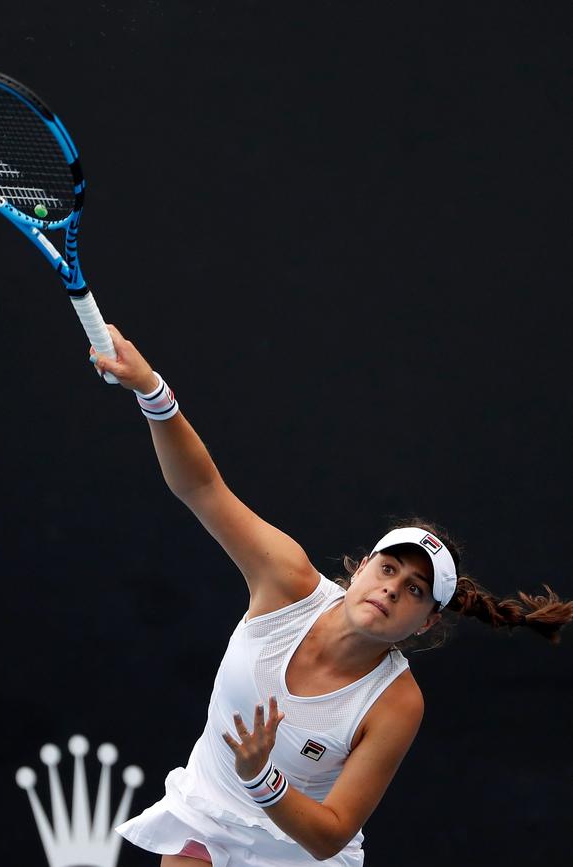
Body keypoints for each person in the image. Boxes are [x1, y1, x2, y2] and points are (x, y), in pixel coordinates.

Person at [89, 326, 572, 867]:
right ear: (362, 567)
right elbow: (202, 488)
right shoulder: (287, 582)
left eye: (414, 589)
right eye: (388, 568)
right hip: (208, 815)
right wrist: (152, 390)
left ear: (426, 624)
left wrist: (262, 777)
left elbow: (331, 834)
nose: (392, 588)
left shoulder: (396, 703)